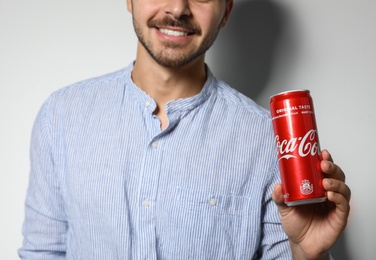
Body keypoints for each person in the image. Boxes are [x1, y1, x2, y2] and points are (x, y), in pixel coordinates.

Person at [19, 0, 351, 259]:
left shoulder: (269, 140)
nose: (178, 8)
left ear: (226, 12)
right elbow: (42, 253)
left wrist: (309, 255)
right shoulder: (61, 117)